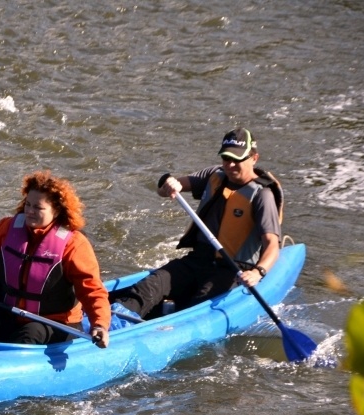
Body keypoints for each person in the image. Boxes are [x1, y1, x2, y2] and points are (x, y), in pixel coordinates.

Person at [111, 127, 283, 318]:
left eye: (238, 159)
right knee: (150, 286)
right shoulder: (214, 175)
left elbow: (272, 245)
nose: (231, 165)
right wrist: (170, 185)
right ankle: (114, 318)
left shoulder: (262, 195)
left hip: (231, 269)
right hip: (198, 260)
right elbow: (162, 190)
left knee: (195, 306)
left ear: (254, 158)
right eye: (227, 158)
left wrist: (258, 273)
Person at [0, 170, 111, 348]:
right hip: (7, 314)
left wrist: (99, 324)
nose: (29, 211)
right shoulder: (7, 228)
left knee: (31, 333)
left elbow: (92, 291)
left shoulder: (74, 244)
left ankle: (6, 365)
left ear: (57, 210)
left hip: (53, 325)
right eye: (27, 204)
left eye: (38, 207)